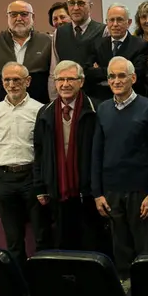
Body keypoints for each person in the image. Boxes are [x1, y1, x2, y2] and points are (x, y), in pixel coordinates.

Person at [92, 57, 148, 281]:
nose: (116, 80)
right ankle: (125, 288)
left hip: (140, 192)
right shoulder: (103, 109)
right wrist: (97, 193)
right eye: (112, 76)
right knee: (120, 248)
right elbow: (97, 152)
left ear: (133, 78)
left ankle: (147, 290)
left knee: (145, 249)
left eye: (122, 76)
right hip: (111, 190)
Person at [33, 60, 106, 251]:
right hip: (57, 191)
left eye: (71, 79)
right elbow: (39, 152)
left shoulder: (96, 110)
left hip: (88, 193)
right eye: (60, 79)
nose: (65, 84)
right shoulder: (44, 113)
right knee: (63, 246)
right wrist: (40, 186)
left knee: (92, 245)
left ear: (81, 82)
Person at [0, 62, 52, 265]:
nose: (12, 84)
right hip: (4, 179)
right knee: (13, 240)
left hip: (32, 178)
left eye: (16, 79)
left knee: (42, 236)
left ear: (27, 81)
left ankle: (43, 279)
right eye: (7, 80)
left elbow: (44, 148)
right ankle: (20, 281)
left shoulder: (39, 110)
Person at [0, 0, 51, 114]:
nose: (19, 18)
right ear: (7, 17)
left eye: (24, 14)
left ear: (33, 17)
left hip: (40, 111)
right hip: (4, 112)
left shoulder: (46, 42)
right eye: (13, 15)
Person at [85, 3, 148, 101]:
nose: (115, 24)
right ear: (107, 22)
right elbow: (87, 72)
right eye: (111, 20)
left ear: (129, 22)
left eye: (119, 20)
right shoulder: (96, 44)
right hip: (101, 100)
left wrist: (100, 71)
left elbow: (137, 74)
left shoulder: (140, 45)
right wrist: (122, 72)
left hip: (130, 100)